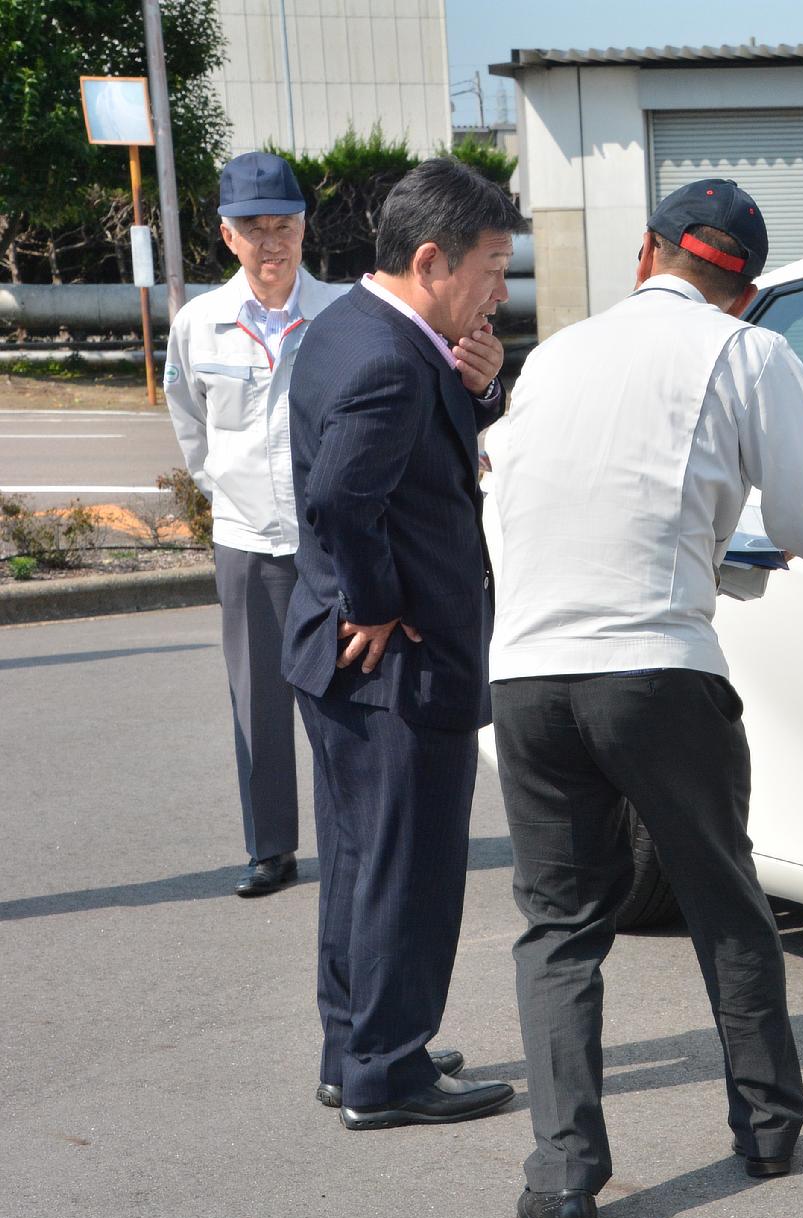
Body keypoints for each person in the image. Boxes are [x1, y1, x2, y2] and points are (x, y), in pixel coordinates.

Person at [486, 178, 803, 1218]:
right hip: (657, 666)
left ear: (647, 255)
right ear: (745, 291)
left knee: (560, 928)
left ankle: (564, 1178)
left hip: (528, 670)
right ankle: (767, 1126)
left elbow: (500, 487)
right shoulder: (750, 355)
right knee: (722, 895)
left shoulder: (554, 357)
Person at [282, 158, 521, 1130]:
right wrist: (374, 601)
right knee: (410, 869)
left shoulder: (354, 325)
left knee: (357, 860)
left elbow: (410, 459)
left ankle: (356, 1046)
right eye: (494, 268)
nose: (502, 291)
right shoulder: (389, 357)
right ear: (431, 261)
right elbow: (342, 497)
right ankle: (390, 1068)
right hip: (394, 662)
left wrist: (482, 389)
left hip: (336, 661)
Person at [162, 152, 347, 898]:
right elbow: (189, 424)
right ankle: (270, 846)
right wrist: (225, 493)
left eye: (285, 226)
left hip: (331, 539)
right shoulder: (199, 323)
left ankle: (354, 836)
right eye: (254, 229)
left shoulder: (342, 314)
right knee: (257, 702)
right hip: (246, 542)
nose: (272, 243)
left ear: (305, 229)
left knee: (344, 701)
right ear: (226, 237)